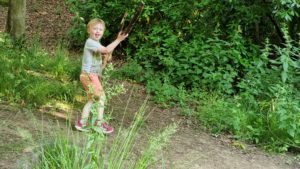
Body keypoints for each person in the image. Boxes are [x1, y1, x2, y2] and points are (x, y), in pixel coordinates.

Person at [75, 18, 128, 133]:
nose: (98, 31)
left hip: (89, 75)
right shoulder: (90, 42)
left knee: (92, 100)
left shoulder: (96, 43)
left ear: (103, 32)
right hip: (89, 76)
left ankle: (82, 123)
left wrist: (105, 60)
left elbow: (103, 57)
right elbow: (106, 49)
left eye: (100, 29)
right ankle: (99, 123)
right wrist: (118, 40)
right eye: (95, 28)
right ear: (89, 30)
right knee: (101, 98)